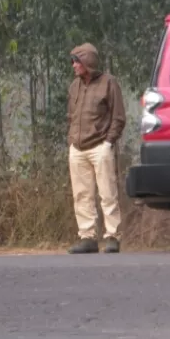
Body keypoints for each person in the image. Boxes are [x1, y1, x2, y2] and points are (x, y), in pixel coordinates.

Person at [66, 43, 126, 254]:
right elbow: (71, 116)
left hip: (100, 146)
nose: (73, 65)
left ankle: (112, 237)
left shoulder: (109, 83)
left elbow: (118, 117)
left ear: (87, 62)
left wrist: (108, 143)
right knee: (81, 195)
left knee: (108, 193)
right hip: (77, 148)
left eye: (76, 61)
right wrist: (71, 140)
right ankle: (88, 237)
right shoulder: (74, 86)